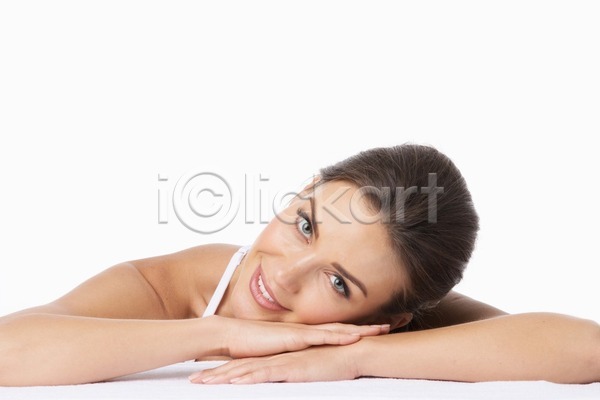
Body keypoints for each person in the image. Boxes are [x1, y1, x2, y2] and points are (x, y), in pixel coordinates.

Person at [0, 144, 598, 387]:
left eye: (338, 282)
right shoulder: (167, 286)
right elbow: (9, 350)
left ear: (390, 318)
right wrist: (221, 334)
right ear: (304, 189)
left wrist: (357, 358)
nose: (284, 275)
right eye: (306, 224)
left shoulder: (375, 330)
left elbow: (586, 349)